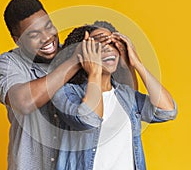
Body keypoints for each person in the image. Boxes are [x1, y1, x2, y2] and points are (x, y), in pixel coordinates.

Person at [51, 24, 178, 170]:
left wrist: (136, 63)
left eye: (113, 43)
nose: (108, 48)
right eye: (99, 43)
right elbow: (89, 119)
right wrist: (94, 72)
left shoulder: (125, 95)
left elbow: (168, 111)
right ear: (83, 52)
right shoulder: (65, 92)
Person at [0, 0, 84, 170]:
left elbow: (125, 104)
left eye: (48, 26)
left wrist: (126, 59)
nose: (47, 37)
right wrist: (74, 62)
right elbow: (23, 102)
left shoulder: (74, 52)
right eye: (34, 34)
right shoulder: (8, 63)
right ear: (16, 39)